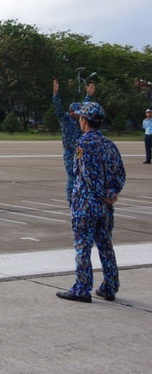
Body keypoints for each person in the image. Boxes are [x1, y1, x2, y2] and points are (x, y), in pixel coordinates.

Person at [56, 102, 126, 303]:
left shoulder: (83, 144)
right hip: (105, 207)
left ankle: (82, 287)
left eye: (80, 118)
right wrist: (112, 193)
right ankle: (110, 286)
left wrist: (102, 193)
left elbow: (87, 174)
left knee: (83, 247)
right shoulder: (109, 144)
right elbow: (120, 173)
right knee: (105, 245)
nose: (79, 121)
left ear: (84, 121)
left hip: (87, 204)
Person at [53, 80, 95, 203]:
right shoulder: (65, 119)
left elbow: (85, 105)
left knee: (83, 176)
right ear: (71, 112)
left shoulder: (81, 121)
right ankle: (71, 200)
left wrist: (89, 95)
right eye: (77, 112)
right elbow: (58, 109)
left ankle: (81, 197)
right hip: (70, 153)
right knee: (72, 177)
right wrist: (55, 94)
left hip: (80, 152)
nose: (80, 114)